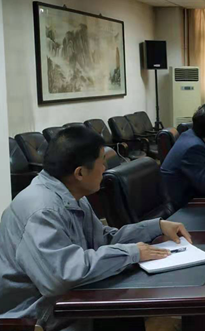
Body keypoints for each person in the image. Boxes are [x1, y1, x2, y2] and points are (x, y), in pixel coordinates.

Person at [0, 126, 192, 331]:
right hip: (38, 319)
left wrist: (156, 227)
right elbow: (61, 276)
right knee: (124, 310)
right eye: (102, 162)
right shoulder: (41, 211)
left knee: (127, 310)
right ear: (80, 172)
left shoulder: (71, 194)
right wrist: (132, 253)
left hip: (71, 302)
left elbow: (102, 240)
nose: (105, 168)